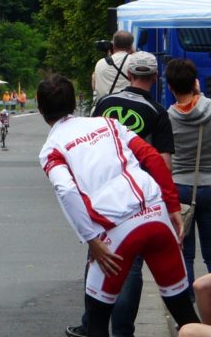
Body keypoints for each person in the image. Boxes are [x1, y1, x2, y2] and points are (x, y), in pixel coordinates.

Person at [37, 74, 198, 337]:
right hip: (156, 215)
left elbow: (66, 190)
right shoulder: (109, 124)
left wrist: (91, 239)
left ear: (41, 108)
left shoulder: (52, 148)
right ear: (73, 103)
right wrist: (171, 207)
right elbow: (152, 158)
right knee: (184, 312)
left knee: (97, 323)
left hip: (117, 231)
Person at [66, 51, 175, 337]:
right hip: (136, 197)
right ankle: (123, 331)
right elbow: (163, 162)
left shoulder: (104, 102)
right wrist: (167, 201)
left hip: (101, 192)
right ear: (154, 77)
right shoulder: (157, 112)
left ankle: (90, 324)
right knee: (132, 266)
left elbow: (85, 142)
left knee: (97, 257)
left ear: (129, 75)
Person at [166, 58, 211, 292]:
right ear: (195, 82)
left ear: (170, 87)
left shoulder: (168, 118)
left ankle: (187, 310)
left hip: (180, 189)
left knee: (185, 253)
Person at [92, 30, 134, 105]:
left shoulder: (100, 63)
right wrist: (133, 52)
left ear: (113, 45)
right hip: (127, 108)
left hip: (104, 109)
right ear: (131, 46)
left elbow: (94, 86)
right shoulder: (134, 62)